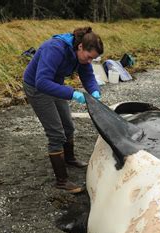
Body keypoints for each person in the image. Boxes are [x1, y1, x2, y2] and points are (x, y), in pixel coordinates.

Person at [23, 26, 103, 193]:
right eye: (89, 57)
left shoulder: (81, 55)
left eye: (92, 59)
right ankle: (62, 181)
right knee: (56, 133)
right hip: (37, 87)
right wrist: (72, 93)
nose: (89, 61)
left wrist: (94, 91)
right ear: (80, 46)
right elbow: (42, 82)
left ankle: (70, 159)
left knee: (68, 126)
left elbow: (87, 75)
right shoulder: (55, 49)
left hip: (55, 84)